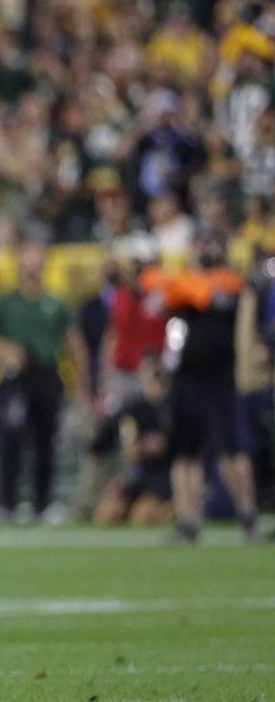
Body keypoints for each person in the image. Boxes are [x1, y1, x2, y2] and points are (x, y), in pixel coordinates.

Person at [153, 230, 261, 542]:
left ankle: (247, 512)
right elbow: (163, 297)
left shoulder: (229, 281)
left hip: (220, 381)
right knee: (184, 454)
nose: (205, 250)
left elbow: (214, 293)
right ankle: (188, 519)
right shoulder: (185, 284)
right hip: (187, 380)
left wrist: (189, 284)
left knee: (230, 451)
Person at [0, 239, 92, 525]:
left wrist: (81, 387)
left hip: (46, 373)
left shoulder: (55, 303)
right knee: (11, 436)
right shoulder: (6, 301)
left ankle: (42, 504)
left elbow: (73, 344)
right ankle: (7, 504)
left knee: (45, 440)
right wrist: (6, 351)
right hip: (15, 377)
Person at [89, 354, 175, 526]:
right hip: (139, 476)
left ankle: (174, 507)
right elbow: (113, 445)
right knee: (105, 516)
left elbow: (164, 446)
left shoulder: (171, 408)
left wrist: (141, 447)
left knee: (141, 517)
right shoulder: (133, 408)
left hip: (164, 478)